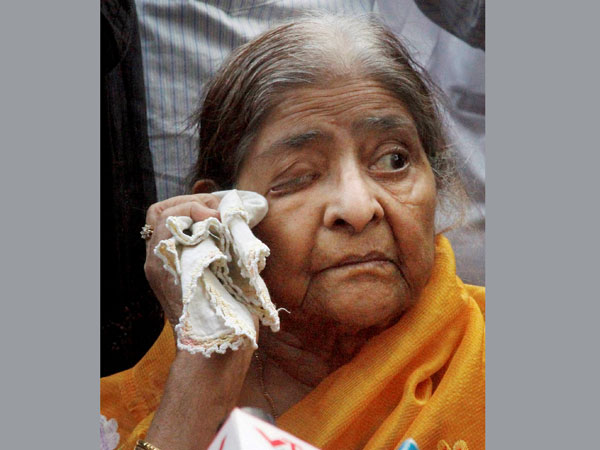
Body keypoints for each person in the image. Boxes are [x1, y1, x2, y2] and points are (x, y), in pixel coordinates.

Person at [101, 14, 485, 450]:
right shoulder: (110, 418)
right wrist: (202, 383)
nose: (358, 209)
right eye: (299, 176)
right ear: (220, 214)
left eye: (393, 160)